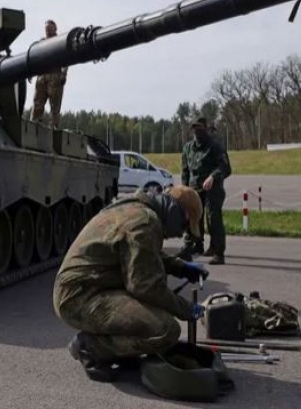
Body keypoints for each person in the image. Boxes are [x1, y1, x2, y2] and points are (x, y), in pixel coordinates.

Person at [53, 185, 210, 382]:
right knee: (166, 329)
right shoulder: (145, 221)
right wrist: (186, 308)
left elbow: (142, 252)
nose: (181, 233)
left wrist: (181, 267)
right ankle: (90, 347)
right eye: (185, 224)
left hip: (87, 287)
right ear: (174, 211)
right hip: (79, 297)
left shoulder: (137, 209)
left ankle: (121, 351)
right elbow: (145, 286)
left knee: (152, 313)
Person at [179, 117, 232, 265]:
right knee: (193, 217)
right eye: (194, 128)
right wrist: (185, 189)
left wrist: (212, 177)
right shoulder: (188, 148)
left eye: (200, 128)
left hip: (212, 189)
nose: (197, 131)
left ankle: (218, 252)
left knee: (213, 218)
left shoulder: (215, 146)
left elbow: (225, 168)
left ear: (206, 128)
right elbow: (185, 171)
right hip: (194, 189)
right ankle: (193, 246)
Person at [29, 19, 67, 128]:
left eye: (50, 29)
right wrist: (30, 71)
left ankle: (54, 130)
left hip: (55, 76)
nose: (48, 31)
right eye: (46, 29)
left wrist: (64, 73)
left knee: (54, 108)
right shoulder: (41, 43)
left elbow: (66, 59)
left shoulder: (60, 41)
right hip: (41, 76)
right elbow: (34, 58)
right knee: (37, 105)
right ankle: (32, 127)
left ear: (55, 29)